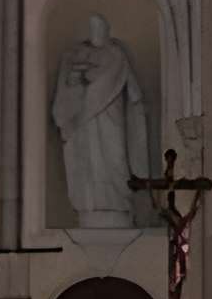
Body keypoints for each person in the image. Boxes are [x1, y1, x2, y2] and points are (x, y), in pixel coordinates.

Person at [50, 12, 148, 226]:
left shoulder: (116, 55)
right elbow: (67, 88)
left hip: (112, 117)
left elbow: (132, 89)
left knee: (115, 156)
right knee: (89, 157)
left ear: (106, 31)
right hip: (85, 119)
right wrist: (75, 80)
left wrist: (136, 100)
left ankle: (120, 202)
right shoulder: (78, 55)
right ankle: (90, 203)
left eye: (100, 29)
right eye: (93, 29)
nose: (97, 33)